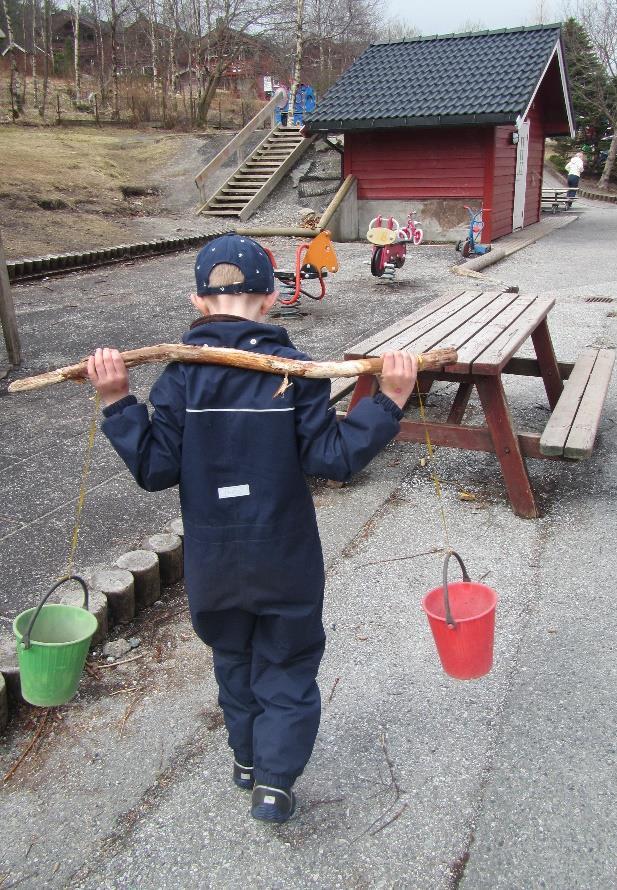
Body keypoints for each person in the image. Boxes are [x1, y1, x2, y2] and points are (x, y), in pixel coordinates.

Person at [87, 233, 418, 824]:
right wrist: (387, 401)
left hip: (214, 564)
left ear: (197, 304)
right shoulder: (296, 373)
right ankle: (274, 779)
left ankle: (245, 758)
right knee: (286, 664)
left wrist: (118, 402)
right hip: (285, 558)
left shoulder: (178, 379)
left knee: (232, 659)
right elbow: (335, 460)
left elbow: (155, 468)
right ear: (271, 301)